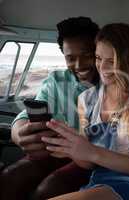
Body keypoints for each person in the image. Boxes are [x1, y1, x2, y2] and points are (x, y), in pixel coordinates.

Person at [41, 23, 129, 200]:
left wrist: (91, 151)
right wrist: (72, 149)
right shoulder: (86, 100)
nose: (102, 68)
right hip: (99, 181)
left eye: (112, 61)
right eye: (99, 58)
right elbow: (89, 164)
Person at [0, 17, 100, 200]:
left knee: (48, 189)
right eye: (70, 58)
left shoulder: (115, 82)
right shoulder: (57, 81)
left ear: (98, 52)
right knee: (10, 176)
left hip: (94, 158)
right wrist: (19, 133)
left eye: (87, 55)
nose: (79, 65)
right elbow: (27, 114)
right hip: (55, 152)